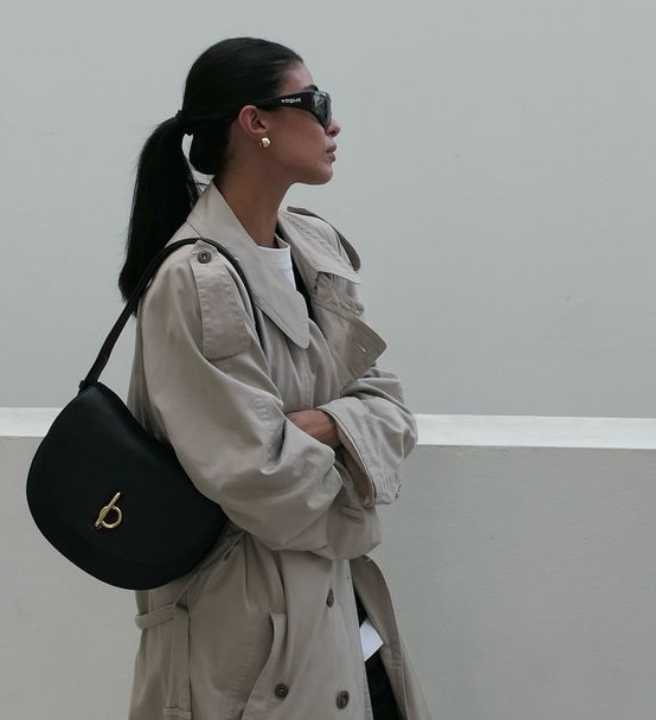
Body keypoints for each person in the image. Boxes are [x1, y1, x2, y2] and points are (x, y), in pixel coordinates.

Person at [119, 37, 431, 720]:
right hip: (248, 642)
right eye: (315, 103)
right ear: (255, 121)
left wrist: (326, 425)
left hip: (339, 617)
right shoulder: (195, 279)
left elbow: (390, 406)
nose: (333, 124)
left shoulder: (313, 247)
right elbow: (265, 478)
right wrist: (358, 469)